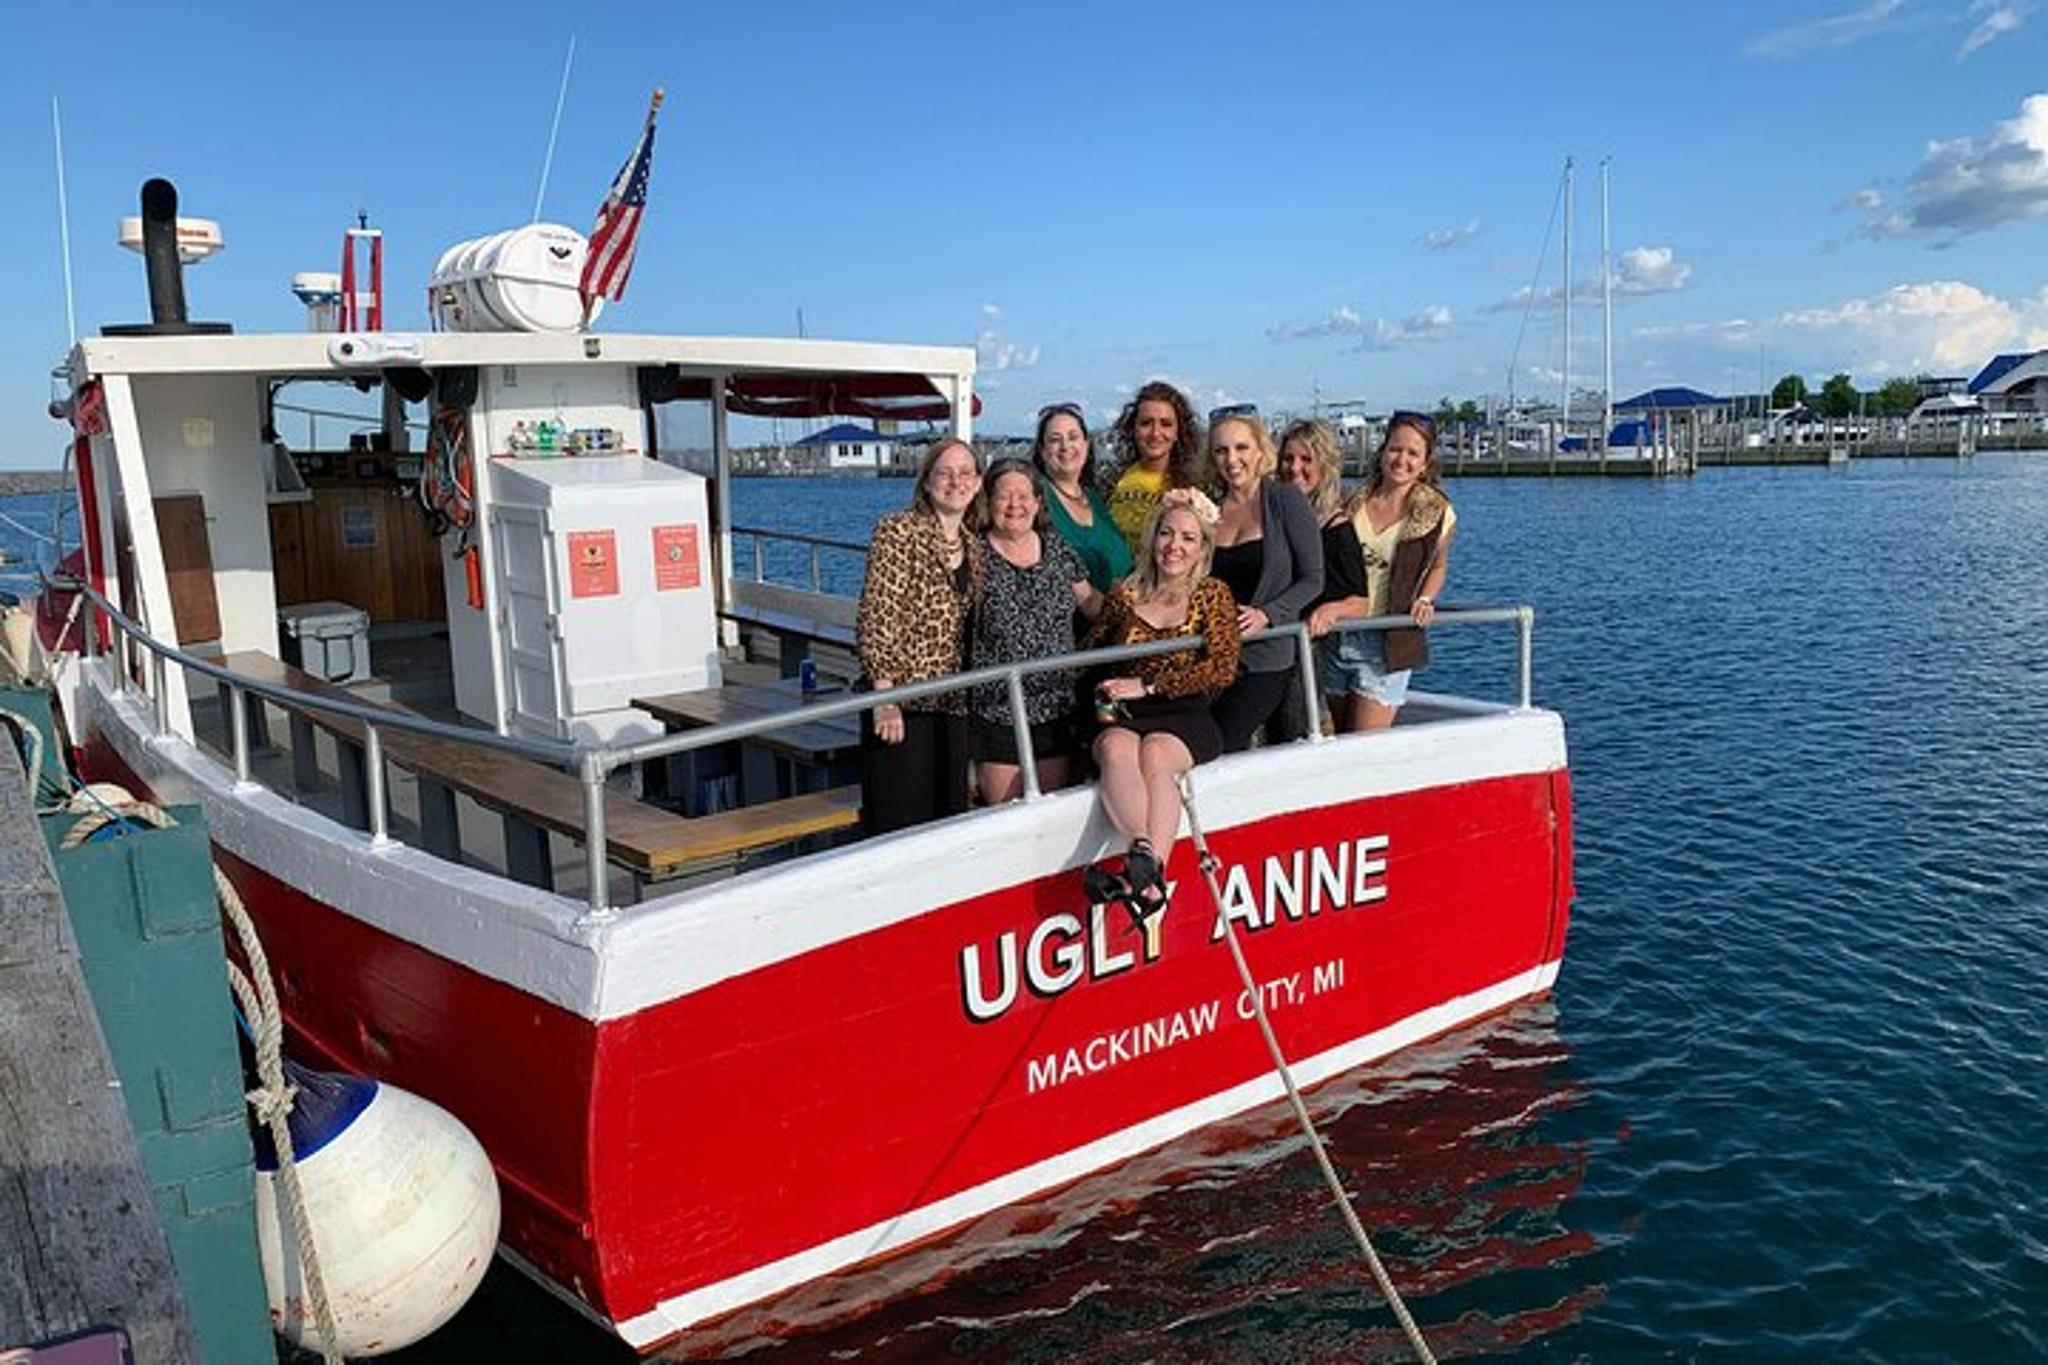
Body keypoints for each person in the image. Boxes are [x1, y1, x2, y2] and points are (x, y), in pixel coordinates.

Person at [1082, 488, 1241, 920]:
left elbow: (1222, 667)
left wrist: (1148, 684)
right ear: (1152, 538)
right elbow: (1089, 656)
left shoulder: (1212, 594)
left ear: (1203, 548)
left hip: (1182, 711)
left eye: (1188, 538)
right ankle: (1143, 857)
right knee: (1116, 748)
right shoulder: (1125, 594)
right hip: (1124, 711)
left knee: (1155, 753)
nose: (1175, 546)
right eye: (1167, 534)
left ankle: (1147, 877)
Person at [854, 437, 984, 833]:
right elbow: (878, 614)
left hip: (953, 702)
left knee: (947, 819)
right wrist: (885, 698)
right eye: (944, 472)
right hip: (903, 702)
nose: (955, 481)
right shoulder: (898, 531)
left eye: (965, 473)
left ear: (977, 484)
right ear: (927, 481)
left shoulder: (974, 547)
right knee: (899, 821)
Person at [1307, 412, 1456, 731]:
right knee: (1337, 740)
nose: (1402, 459)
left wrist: (1426, 598)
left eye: (1413, 453)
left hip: (1386, 641)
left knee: (1363, 746)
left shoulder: (1436, 513)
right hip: (1337, 634)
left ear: (1426, 462)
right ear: (1382, 451)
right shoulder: (1353, 502)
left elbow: (1439, 566)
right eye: (1395, 449)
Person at [969, 459, 1102, 803]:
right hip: (998, 711)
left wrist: (1150, 602)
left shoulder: (1057, 548)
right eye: (1004, 496)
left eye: (1024, 495)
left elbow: (1090, 603)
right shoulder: (973, 556)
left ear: (1038, 502)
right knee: (1005, 814)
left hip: (1054, 705)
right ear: (988, 502)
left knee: (1051, 807)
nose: (1015, 505)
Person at [1206, 413, 1323, 751]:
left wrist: (1266, 614)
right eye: (1221, 451)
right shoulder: (1209, 511)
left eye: (1242, 447)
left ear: (1260, 452)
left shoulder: (1284, 499)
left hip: (1267, 654)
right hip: (1215, 653)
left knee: (1223, 740)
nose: (1232, 459)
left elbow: (1312, 579)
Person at [1032, 403, 1133, 594]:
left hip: (1120, 612)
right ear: (1042, 451)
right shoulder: (1036, 499)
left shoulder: (1095, 497)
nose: (1065, 446)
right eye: (1055, 439)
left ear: (1086, 445)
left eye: (1073, 437)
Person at [1103, 381, 1207, 556]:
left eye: (1166, 424)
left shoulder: (1193, 488)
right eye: (1146, 423)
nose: (1155, 433)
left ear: (1178, 433)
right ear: (1133, 428)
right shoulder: (1110, 480)